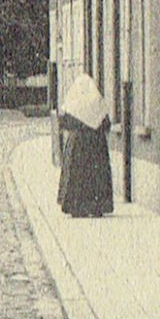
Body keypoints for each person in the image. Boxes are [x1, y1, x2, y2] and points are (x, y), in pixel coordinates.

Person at [57, 73, 114, 217]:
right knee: (96, 175)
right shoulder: (97, 102)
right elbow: (107, 124)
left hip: (77, 145)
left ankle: (76, 206)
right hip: (96, 144)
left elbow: (64, 122)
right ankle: (96, 206)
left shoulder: (73, 102)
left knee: (77, 174)